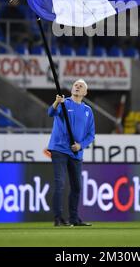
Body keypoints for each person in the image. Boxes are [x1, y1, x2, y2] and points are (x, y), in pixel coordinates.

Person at [47, 79, 95, 227]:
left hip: (76, 153)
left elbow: (91, 135)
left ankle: (74, 218)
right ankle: (58, 218)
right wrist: (56, 102)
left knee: (77, 187)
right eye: (75, 85)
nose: (77, 87)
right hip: (60, 149)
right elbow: (51, 113)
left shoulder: (88, 111)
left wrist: (80, 146)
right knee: (60, 183)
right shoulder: (64, 103)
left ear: (85, 92)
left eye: (81, 86)